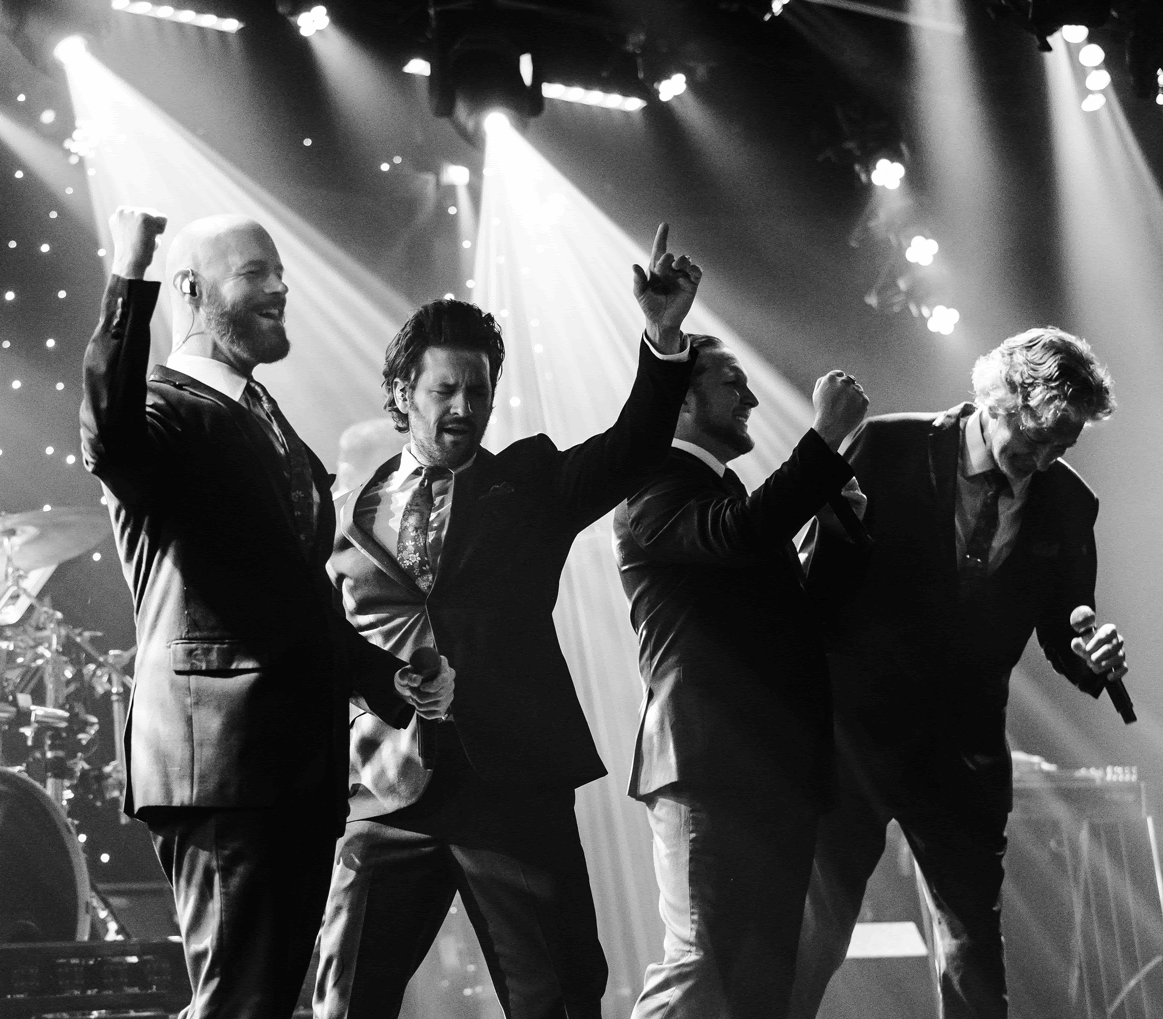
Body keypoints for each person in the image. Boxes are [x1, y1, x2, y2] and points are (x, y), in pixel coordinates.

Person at [314, 225, 702, 1019]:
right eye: (444, 391)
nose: (465, 408)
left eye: (479, 392)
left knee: (555, 996)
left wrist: (662, 341)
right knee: (343, 1001)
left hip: (510, 789)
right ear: (402, 395)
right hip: (385, 790)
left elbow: (630, 448)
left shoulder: (528, 484)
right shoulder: (351, 504)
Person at [79, 207, 453, 1019]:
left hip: (292, 766)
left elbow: (295, 598)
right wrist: (127, 278)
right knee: (240, 1001)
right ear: (188, 289)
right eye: (255, 273)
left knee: (265, 1000)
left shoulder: (262, 415)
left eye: (281, 271)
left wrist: (392, 678)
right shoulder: (162, 408)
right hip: (221, 760)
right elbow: (110, 441)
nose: (281, 286)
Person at [794, 327, 1130, 1019]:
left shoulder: (1070, 504)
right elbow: (810, 584)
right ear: (998, 401)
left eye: (1062, 445)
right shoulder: (887, 447)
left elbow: (1068, 622)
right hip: (853, 739)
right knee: (813, 936)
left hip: (964, 756)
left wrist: (1092, 653)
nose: (1041, 461)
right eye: (1036, 439)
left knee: (975, 953)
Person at [611, 338, 868, 1019]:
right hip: (710, 766)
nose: (752, 397)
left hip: (776, 770)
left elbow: (805, 620)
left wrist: (841, 535)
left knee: (763, 983)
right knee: (701, 963)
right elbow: (740, 534)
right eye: (733, 382)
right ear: (682, 398)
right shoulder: (652, 481)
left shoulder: (724, 493)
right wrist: (824, 438)